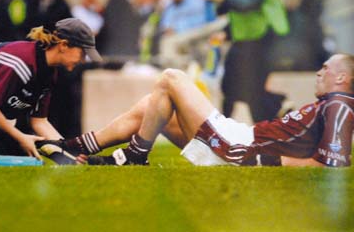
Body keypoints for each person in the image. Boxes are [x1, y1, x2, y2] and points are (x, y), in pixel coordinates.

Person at [37, 53, 354, 167]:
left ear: (342, 77)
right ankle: (74, 147)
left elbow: (330, 163)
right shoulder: (333, 105)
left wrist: (266, 163)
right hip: (240, 144)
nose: (319, 72)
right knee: (153, 106)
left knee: (172, 77)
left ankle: (133, 157)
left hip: (240, 147)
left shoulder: (340, 105)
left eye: (326, 69)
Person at [0, 18, 102, 166]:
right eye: (82, 53)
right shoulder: (19, 62)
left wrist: (69, 153)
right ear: (63, 45)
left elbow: (39, 121)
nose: (83, 60)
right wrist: (20, 137)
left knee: (24, 163)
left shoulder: (49, 73)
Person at [202, 0, 290, 122]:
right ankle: (222, 131)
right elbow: (239, 10)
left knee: (249, 91)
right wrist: (227, 32)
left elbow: (253, 0)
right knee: (232, 86)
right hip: (245, 36)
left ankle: (279, 107)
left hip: (261, 34)